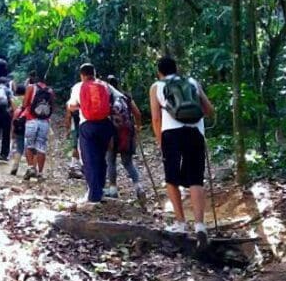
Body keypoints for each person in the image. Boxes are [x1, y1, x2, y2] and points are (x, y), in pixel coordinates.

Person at [149, 56, 214, 249]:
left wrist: (160, 141)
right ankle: (200, 226)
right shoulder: (192, 82)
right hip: (195, 133)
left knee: (171, 179)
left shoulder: (156, 87)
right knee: (196, 179)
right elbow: (210, 110)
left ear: (159, 72)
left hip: (171, 135)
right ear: (176, 69)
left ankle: (181, 223)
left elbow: (155, 118)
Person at [67, 63, 116, 203]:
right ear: (94, 73)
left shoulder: (78, 86)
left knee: (89, 160)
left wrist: (81, 106)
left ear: (82, 75)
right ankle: (99, 189)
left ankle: (93, 195)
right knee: (101, 158)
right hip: (106, 125)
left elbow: (71, 106)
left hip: (87, 125)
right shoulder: (105, 85)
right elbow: (119, 99)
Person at [104, 75, 145, 204]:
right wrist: (138, 127)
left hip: (112, 133)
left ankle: (113, 189)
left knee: (110, 161)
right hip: (127, 133)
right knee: (128, 163)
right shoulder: (126, 97)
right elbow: (137, 113)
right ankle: (138, 186)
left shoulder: (106, 98)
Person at [20, 76, 55, 180]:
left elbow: (25, 103)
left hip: (31, 120)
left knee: (29, 144)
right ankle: (40, 173)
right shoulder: (50, 91)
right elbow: (52, 108)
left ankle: (31, 168)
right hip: (44, 122)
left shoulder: (31, 87)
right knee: (41, 147)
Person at [10, 84, 27, 175]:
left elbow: (14, 112)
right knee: (31, 148)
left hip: (18, 123)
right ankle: (31, 168)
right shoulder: (28, 100)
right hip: (28, 123)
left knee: (19, 147)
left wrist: (12, 130)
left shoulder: (14, 99)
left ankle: (15, 166)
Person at [64, 107, 84, 179]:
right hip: (83, 126)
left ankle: (73, 167)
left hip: (75, 126)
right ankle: (79, 166)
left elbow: (68, 116)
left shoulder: (73, 101)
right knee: (78, 147)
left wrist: (67, 130)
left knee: (76, 146)